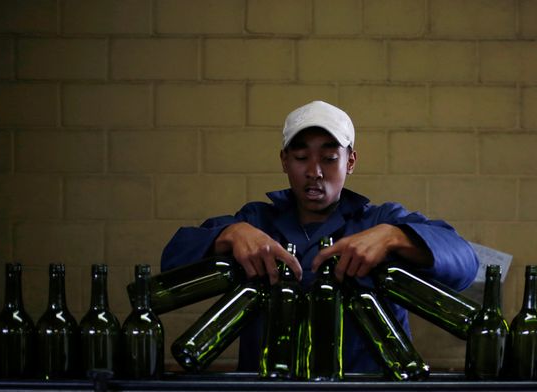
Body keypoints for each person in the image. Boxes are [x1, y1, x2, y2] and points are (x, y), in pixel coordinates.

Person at [161, 100, 479, 374]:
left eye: (329, 158)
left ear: (350, 161)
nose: (314, 171)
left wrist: (393, 238)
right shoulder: (256, 222)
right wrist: (230, 234)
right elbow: (173, 260)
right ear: (284, 160)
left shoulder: (381, 221)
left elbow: (465, 264)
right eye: (301, 158)